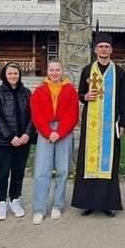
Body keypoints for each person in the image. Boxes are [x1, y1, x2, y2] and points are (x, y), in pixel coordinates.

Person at [71, 33, 125, 217]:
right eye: (100, 46)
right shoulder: (87, 70)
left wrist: (123, 123)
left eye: (106, 46)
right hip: (92, 123)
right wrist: (85, 97)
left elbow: (123, 100)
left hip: (111, 124)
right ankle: (88, 202)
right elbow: (79, 94)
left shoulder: (118, 72)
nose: (103, 49)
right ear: (95, 50)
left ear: (111, 49)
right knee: (89, 160)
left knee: (109, 162)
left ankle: (107, 203)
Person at [29, 60, 79, 224]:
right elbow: (37, 114)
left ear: (62, 71)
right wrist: (48, 132)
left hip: (63, 130)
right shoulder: (39, 91)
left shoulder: (70, 90)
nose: (55, 73)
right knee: (42, 171)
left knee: (63, 170)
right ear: (47, 71)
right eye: (52, 70)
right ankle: (39, 208)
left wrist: (60, 132)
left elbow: (72, 113)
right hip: (46, 131)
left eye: (58, 70)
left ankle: (57, 205)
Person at [0, 62, 34, 220]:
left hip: (23, 140)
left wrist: (27, 134)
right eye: (10, 73)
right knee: (3, 171)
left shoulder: (26, 92)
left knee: (18, 171)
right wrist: (10, 136)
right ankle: (1, 201)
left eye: (15, 73)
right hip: (3, 141)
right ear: (4, 75)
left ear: (19, 75)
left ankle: (15, 199)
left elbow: (33, 115)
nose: (13, 76)